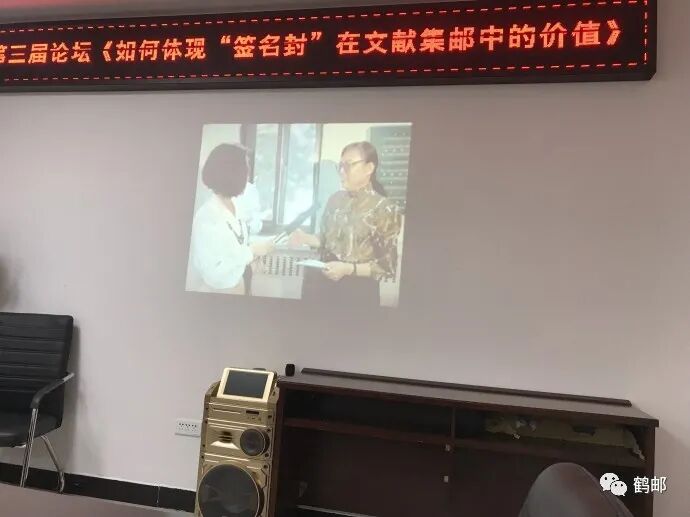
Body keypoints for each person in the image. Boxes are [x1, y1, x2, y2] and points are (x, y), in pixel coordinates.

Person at [289, 141, 402, 308]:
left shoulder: (384, 208)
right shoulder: (335, 200)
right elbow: (326, 240)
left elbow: (387, 266)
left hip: (357, 293)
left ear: (369, 168)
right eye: (340, 166)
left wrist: (347, 269)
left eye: (349, 165)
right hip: (323, 285)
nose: (342, 171)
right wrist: (305, 238)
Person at [190, 143, 274, 295]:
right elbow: (214, 273)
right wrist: (251, 251)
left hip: (240, 286)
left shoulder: (236, 205)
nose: (247, 177)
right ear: (232, 174)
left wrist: (252, 262)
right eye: (245, 171)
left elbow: (234, 250)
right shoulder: (207, 217)